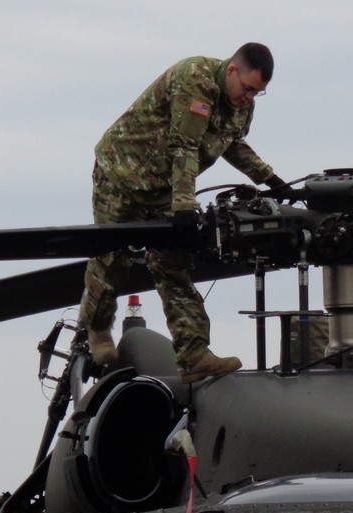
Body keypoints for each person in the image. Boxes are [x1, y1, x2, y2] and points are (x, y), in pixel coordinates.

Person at [80, 42, 287, 383]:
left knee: (174, 265)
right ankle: (98, 328)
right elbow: (185, 146)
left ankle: (194, 355)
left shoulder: (241, 105)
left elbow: (232, 143)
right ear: (232, 69)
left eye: (258, 93)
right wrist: (185, 207)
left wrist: (272, 180)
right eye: (248, 88)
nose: (249, 97)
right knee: (111, 259)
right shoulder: (197, 79)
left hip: (164, 189)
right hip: (120, 175)